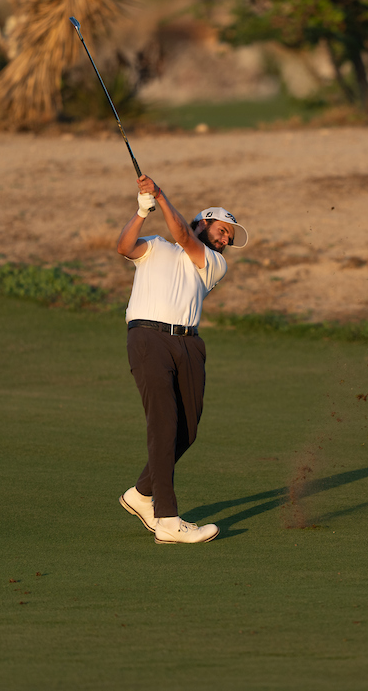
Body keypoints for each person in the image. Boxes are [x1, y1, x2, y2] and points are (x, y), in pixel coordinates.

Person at [114, 173, 249, 543]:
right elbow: (124, 247)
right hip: (147, 338)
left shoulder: (213, 263)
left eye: (229, 239)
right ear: (204, 221)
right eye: (222, 231)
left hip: (188, 344)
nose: (225, 240)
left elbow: (184, 239)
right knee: (163, 423)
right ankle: (168, 520)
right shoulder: (156, 244)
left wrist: (160, 194)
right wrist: (143, 210)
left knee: (187, 430)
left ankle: (140, 495)